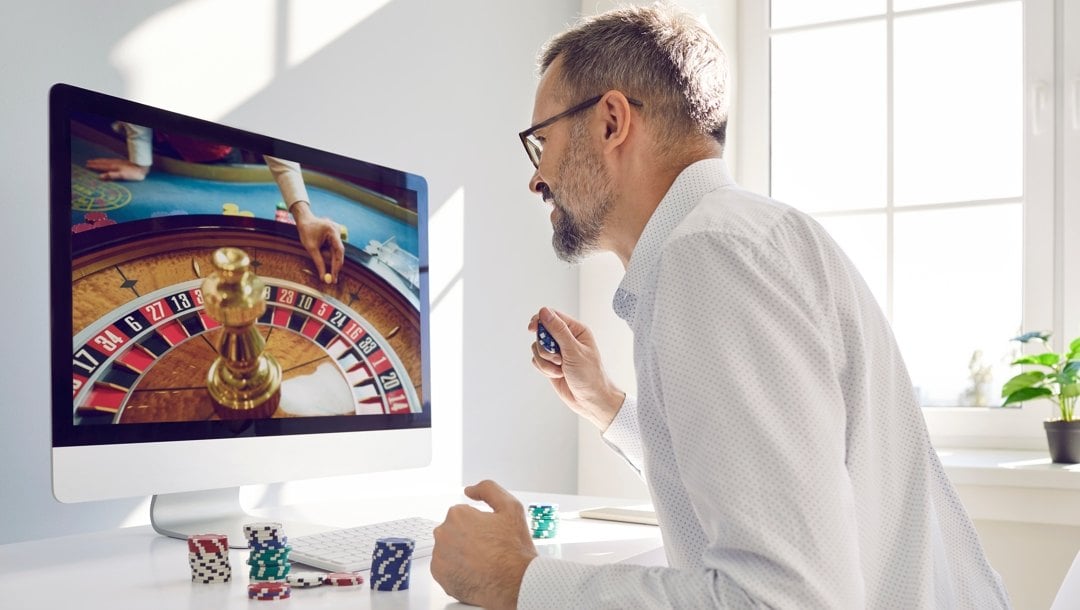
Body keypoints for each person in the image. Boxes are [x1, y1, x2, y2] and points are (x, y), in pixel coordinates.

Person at [430, 3, 1012, 609]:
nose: (536, 177)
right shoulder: (737, 238)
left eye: (540, 141)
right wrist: (608, 407)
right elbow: (757, 476)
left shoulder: (711, 257)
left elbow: (783, 599)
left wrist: (521, 582)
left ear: (610, 122)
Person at [86, 122, 344, 283]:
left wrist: (304, 215)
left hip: (214, 158)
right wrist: (140, 161)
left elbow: (273, 140)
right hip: (161, 144)